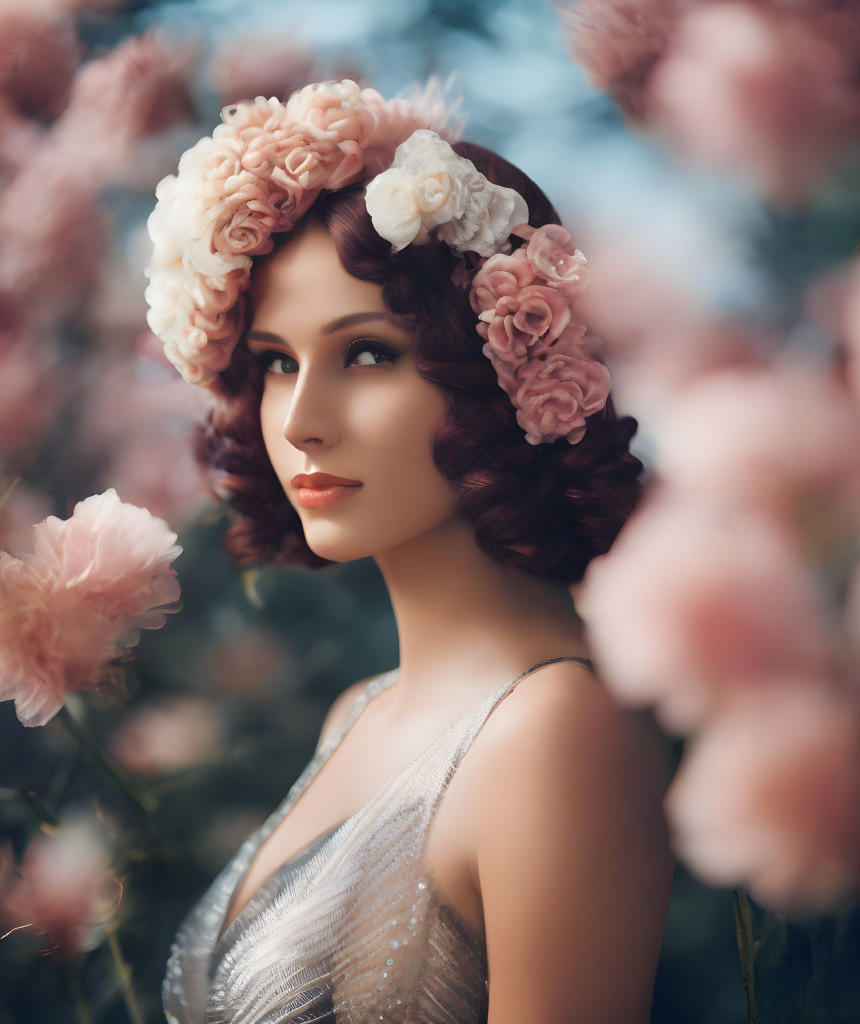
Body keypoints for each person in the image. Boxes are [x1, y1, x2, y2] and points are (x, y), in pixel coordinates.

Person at [149, 80, 673, 1024]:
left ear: (497, 370)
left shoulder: (555, 731)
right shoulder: (359, 713)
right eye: (275, 362)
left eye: (366, 355)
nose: (302, 422)